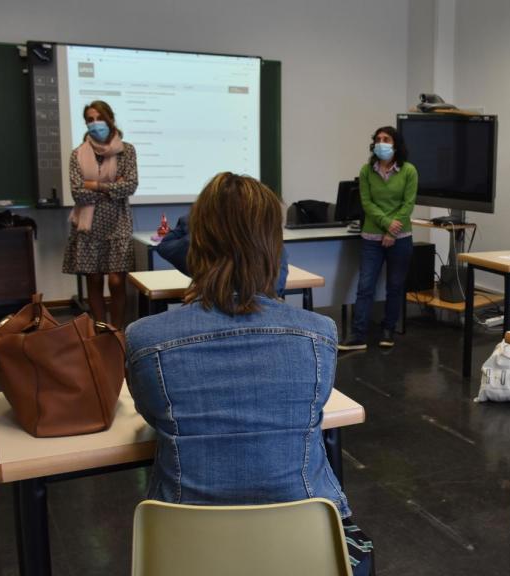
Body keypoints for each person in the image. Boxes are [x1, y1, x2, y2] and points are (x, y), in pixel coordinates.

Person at [126, 173, 374, 575]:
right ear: (274, 246)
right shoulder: (319, 335)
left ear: (197, 244)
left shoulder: (145, 340)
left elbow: (153, 416)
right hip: (306, 551)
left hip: (186, 552)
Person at [339, 126, 417, 351]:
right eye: (378, 139)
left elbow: (408, 204)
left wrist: (392, 232)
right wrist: (386, 224)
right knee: (365, 287)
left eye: (386, 139)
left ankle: (388, 331)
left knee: (395, 286)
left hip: (400, 237)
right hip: (371, 238)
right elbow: (367, 203)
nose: (381, 142)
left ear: (396, 144)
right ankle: (358, 335)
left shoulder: (409, 171)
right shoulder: (367, 171)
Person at [62, 100, 137, 329]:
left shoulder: (126, 151)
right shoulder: (78, 154)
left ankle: (118, 331)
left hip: (118, 222)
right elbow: (77, 193)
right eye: (90, 120)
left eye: (100, 118)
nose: (95, 123)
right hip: (88, 226)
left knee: (116, 281)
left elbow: (130, 186)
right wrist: (112, 186)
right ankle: (101, 331)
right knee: (94, 281)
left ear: (110, 119)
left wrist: (94, 185)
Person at [156, 212, 289, 297]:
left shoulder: (200, 239)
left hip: (208, 307)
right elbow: (276, 288)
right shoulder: (271, 243)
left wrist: (197, 218)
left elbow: (165, 246)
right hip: (264, 310)